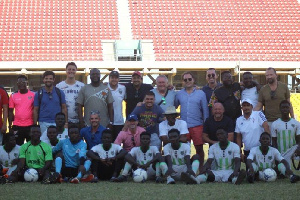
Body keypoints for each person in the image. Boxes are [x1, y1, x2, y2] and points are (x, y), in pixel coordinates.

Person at [175, 71, 209, 165]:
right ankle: (186, 168)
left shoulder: (201, 93)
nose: (187, 81)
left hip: (197, 125)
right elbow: (173, 106)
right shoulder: (179, 94)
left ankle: (201, 168)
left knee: (199, 149)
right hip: (184, 126)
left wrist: (206, 126)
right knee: (184, 149)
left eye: (189, 79)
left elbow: (205, 111)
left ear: (193, 80)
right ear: (182, 81)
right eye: (185, 80)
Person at [33, 71, 67, 135]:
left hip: (57, 122)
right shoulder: (39, 93)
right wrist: (35, 125)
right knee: (44, 142)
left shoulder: (59, 92)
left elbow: (64, 108)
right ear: (43, 80)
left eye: (50, 79)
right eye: (46, 78)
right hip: (43, 122)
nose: (48, 80)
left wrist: (65, 123)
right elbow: (35, 110)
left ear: (54, 80)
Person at [271, 100, 300, 167]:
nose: (285, 109)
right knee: (284, 171)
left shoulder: (296, 123)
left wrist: (298, 149)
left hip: (293, 154)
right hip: (281, 154)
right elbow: (274, 142)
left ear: (289, 109)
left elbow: (299, 140)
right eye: (283, 107)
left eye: (287, 107)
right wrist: (277, 156)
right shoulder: (275, 124)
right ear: (280, 109)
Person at [8, 75, 35, 145]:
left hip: (30, 125)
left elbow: (36, 110)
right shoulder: (13, 95)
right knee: (18, 146)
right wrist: (10, 126)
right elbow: (10, 111)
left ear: (27, 83)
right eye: (19, 82)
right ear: (17, 84)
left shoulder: (33, 94)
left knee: (30, 146)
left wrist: (35, 125)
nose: (21, 83)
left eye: (23, 82)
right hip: (17, 126)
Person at [108, 71, 126, 141]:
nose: (114, 79)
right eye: (112, 77)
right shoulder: (105, 87)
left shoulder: (123, 88)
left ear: (119, 79)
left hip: (119, 121)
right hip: (107, 121)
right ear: (109, 78)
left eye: (116, 78)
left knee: (118, 143)